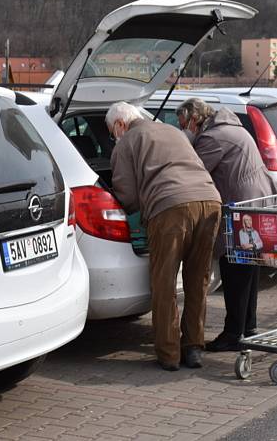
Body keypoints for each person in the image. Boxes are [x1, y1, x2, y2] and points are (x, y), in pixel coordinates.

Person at [106, 101, 221, 371]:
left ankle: (169, 354)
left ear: (121, 124)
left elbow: (129, 196)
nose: (114, 136)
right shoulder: (173, 131)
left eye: (112, 130)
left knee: (164, 282)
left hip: (170, 208)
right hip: (210, 201)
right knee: (197, 280)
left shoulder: (126, 143)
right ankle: (193, 348)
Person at [175, 98, 275, 352]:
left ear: (194, 119)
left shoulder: (212, 138)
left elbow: (196, 173)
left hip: (241, 208)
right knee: (248, 268)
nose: (183, 128)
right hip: (257, 200)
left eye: (183, 123)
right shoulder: (232, 127)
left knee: (235, 269)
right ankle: (248, 326)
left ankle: (233, 333)